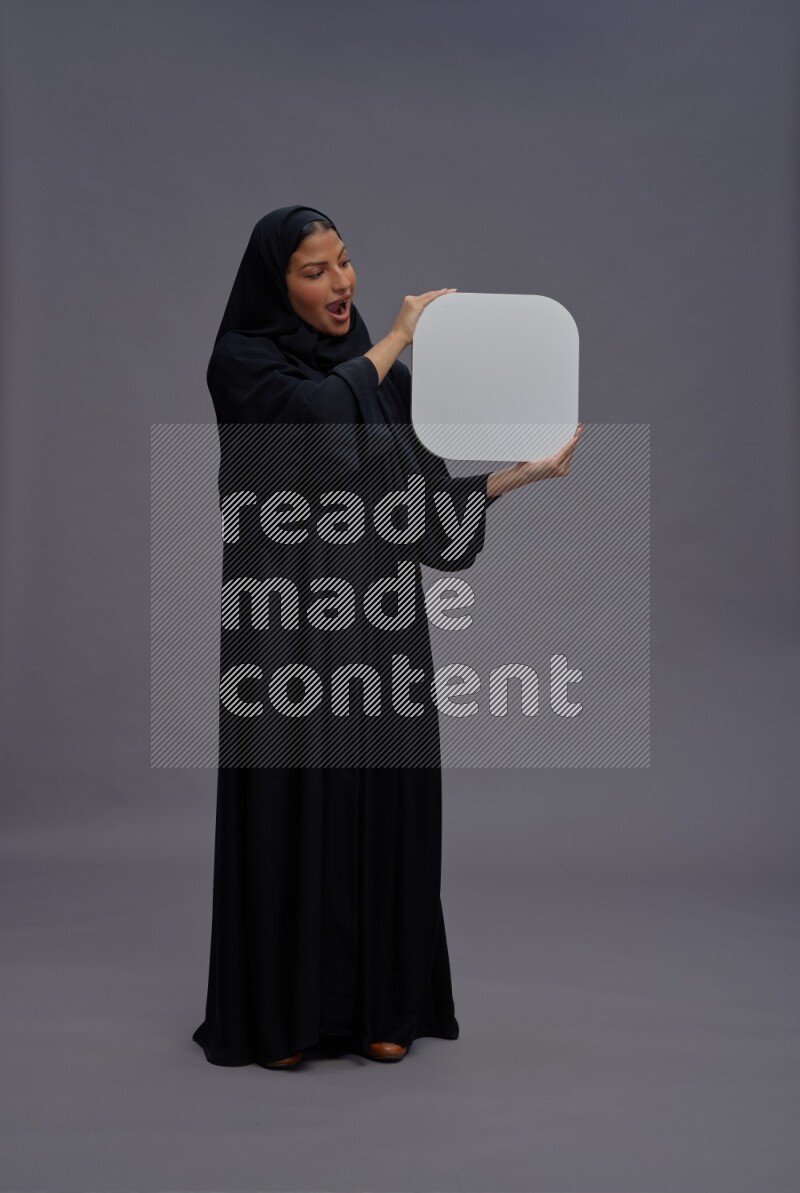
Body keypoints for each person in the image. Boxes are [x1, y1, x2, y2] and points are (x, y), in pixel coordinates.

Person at [192, 205, 583, 1071]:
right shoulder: (243, 366)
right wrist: (397, 340)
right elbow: (308, 434)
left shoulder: (389, 384)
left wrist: (515, 478)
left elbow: (432, 531)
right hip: (283, 635)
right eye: (314, 269)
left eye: (345, 262)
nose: (341, 283)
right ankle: (283, 1017)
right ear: (276, 283)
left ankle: (382, 1004)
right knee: (291, 803)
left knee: (379, 804)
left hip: (379, 633)